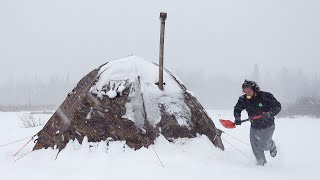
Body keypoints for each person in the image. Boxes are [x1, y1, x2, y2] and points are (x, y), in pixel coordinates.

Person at [234, 80, 281, 166]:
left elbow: (278, 106)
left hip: (268, 125)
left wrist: (270, 113)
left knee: (263, 145)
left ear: (254, 88)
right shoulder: (243, 99)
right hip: (254, 126)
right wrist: (237, 118)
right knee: (255, 146)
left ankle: (272, 145)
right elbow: (237, 109)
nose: (247, 93)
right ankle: (261, 164)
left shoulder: (266, 96)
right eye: (245, 91)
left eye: (249, 91)